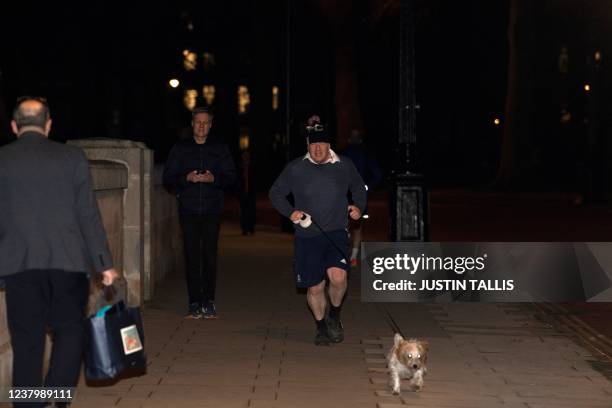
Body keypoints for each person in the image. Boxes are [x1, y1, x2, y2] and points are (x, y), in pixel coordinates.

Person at [0, 96, 118, 406]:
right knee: (70, 333)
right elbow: (88, 215)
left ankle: (29, 403)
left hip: (19, 265)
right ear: (49, 125)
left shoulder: (3, 159)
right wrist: (104, 263)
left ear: (14, 126)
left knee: (27, 342)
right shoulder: (72, 158)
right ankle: (55, 392)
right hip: (67, 263)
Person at [269, 117, 366, 346]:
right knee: (315, 286)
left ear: (329, 144)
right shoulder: (296, 168)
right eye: (313, 144)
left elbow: (359, 188)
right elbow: (275, 193)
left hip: (336, 232)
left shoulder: (344, 165)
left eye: (322, 144)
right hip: (307, 235)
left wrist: (358, 207)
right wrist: (291, 212)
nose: (318, 149)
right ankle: (321, 326)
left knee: (338, 278)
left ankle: (335, 315)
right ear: (308, 145)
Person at [163, 107, 236, 319]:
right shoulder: (180, 148)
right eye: (198, 122)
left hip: (212, 209)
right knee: (192, 256)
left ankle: (209, 301)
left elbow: (232, 178)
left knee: (210, 256)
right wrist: (187, 178)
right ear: (192, 124)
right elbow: (168, 179)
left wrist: (215, 180)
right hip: (188, 209)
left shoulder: (220, 148)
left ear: (211, 125)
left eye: (206, 123)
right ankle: (194, 302)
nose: (202, 126)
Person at [341, 129, 382, 266]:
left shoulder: (344, 154)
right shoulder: (363, 154)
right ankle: (351, 256)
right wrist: (367, 187)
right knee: (355, 226)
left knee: (346, 225)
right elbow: (377, 175)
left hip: (348, 194)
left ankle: (347, 255)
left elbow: (377, 175)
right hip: (355, 195)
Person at [239, 150, 256, 235]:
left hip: (251, 193)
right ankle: (244, 229)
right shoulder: (240, 167)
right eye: (244, 156)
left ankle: (251, 228)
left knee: (251, 211)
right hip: (243, 193)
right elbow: (238, 181)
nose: (245, 157)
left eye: (247, 156)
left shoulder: (252, 167)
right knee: (243, 212)